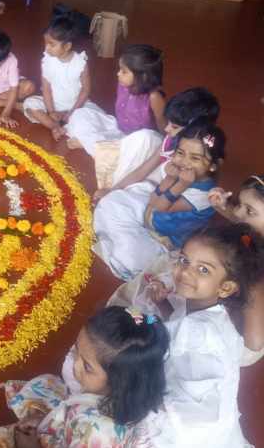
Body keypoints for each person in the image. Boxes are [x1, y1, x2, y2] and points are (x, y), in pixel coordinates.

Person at [136, 224, 263, 448]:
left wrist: (140, 318)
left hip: (188, 431)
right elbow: (176, 325)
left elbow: (168, 332)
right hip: (217, 427)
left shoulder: (199, 333)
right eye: (184, 260)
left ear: (225, 288)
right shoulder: (208, 310)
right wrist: (161, 304)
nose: (185, 272)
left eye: (203, 270)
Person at [0, 306, 169, 448]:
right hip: (70, 421)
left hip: (73, 433)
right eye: (77, 351)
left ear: (119, 380)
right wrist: (44, 419)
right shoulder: (120, 393)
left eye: (87, 366)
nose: (75, 365)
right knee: (47, 384)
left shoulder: (100, 434)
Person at [93, 121, 225, 281]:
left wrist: (181, 184)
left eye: (195, 158)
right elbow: (153, 201)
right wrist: (169, 178)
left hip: (165, 244)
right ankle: (117, 238)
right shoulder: (180, 171)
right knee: (112, 201)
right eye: (180, 153)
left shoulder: (204, 195)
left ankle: (117, 242)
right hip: (150, 220)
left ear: (213, 166)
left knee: (130, 257)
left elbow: (160, 208)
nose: (184, 161)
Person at [94, 87, 220, 202]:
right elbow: (144, 169)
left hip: (168, 198)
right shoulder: (171, 140)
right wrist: (113, 190)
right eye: (169, 123)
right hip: (160, 185)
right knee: (146, 137)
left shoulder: (200, 161)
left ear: (193, 130)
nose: (166, 129)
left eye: (174, 126)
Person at [66, 44, 166, 155]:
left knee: (142, 144)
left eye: (124, 71)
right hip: (118, 130)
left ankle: (91, 145)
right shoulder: (123, 85)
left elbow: (163, 125)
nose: (118, 74)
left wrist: (163, 148)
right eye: (120, 69)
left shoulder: (154, 97)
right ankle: (98, 147)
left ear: (143, 76)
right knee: (80, 114)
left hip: (137, 142)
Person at [208, 174, 264, 365]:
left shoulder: (256, 271)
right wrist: (221, 206)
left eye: (249, 210)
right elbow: (239, 219)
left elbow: (254, 343)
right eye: (239, 204)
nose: (238, 213)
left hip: (241, 342)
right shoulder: (252, 232)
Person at [22, 15, 104, 141]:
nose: (46, 48)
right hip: (53, 104)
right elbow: (46, 89)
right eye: (45, 43)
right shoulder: (47, 61)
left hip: (76, 105)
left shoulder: (80, 62)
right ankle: (55, 126)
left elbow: (85, 90)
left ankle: (67, 122)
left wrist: (72, 112)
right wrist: (51, 111)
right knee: (30, 103)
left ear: (67, 46)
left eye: (51, 44)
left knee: (92, 116)